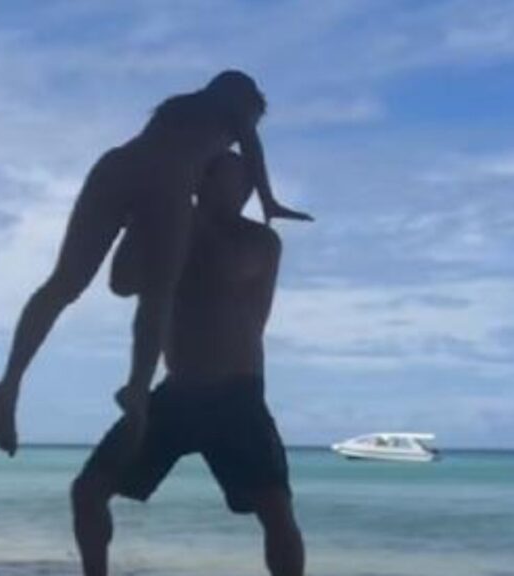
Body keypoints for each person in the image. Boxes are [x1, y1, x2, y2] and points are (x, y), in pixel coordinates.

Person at [0, 70, 311, 456]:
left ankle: (10, 383)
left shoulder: (178, 111)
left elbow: (121, 282)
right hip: (167, 183)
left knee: (64, 284)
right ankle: (138, 391)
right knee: (158, 296)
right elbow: (252, 146)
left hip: (115, 167)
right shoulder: (230, 113)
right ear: (244, 101)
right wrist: (268, 200)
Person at [71, 152, 305, 576]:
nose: (235, 189)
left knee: (275, 507)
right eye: (216, 176)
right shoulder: (171, 226)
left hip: (235, 393)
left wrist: (169, 213)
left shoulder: (258, 241)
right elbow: (122, 283)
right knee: (88, 491)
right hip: (177, 392)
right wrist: (142, 221)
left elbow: (222, 267)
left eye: (241, 182)